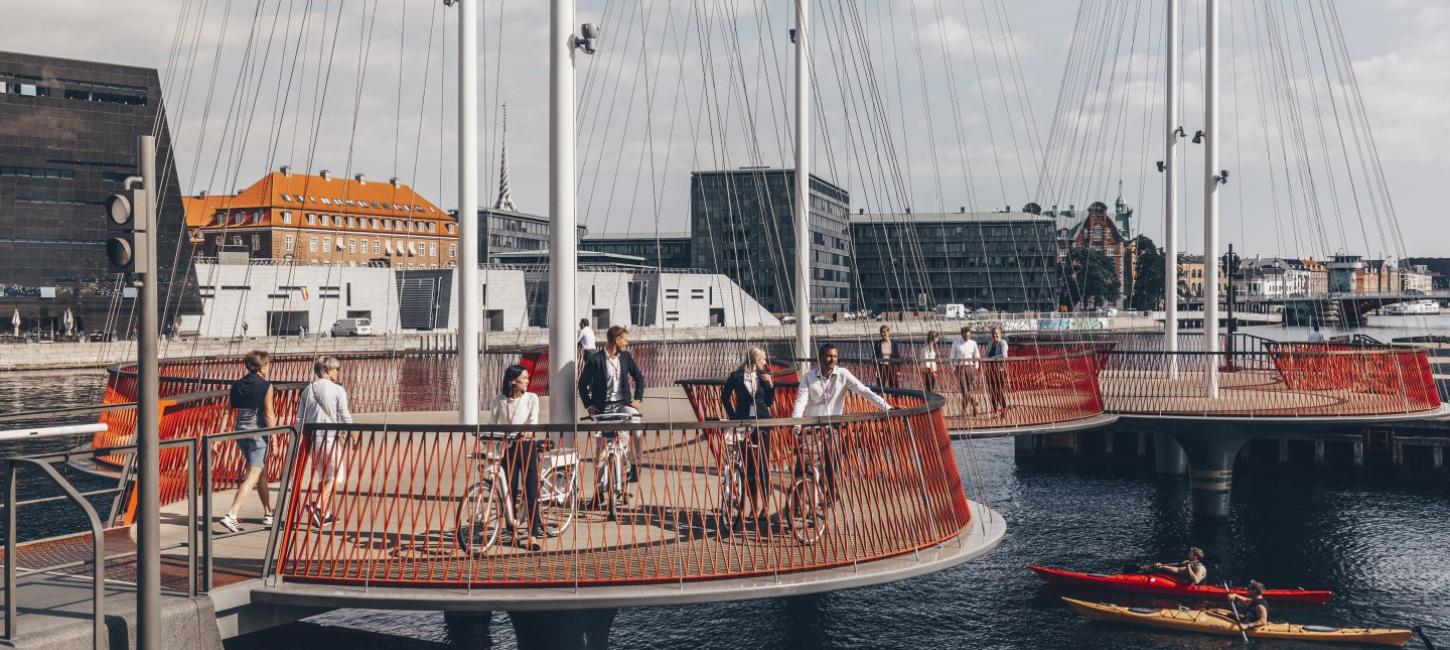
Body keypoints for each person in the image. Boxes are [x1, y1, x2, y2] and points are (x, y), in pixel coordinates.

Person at [791, 344, 891, 499]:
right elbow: (800, 402)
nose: (833, 360)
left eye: (835, 356)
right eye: (829, 356)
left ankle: (831, 493)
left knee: (831, 460)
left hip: (833, 426)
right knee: (803, 463)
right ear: (820, 357)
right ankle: (796, 502)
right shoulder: (809, 377)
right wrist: (796, 424)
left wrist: (886, 407)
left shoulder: (843, 374)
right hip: (810, 426)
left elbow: (863, 390)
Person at [577, 325, 645, 483]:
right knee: (601, 450)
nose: (627, 343)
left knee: (636, 421)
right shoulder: (595, 359)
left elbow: (639, 378)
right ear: (616, 339)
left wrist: (637, 399)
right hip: (603, 408)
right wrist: (589, 406)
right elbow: (582, 384)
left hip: (623, 405)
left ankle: (634, 464)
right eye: (625, 340)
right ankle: (600, 490)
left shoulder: (626, 357)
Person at [219, 351, 276, 533]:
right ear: (262, 366)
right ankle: (232, 514)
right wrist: (274, 439)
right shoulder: (266, 386)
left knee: (261, 472)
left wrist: (218, 439)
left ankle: (268, 512)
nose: (269, 368)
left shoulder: (236, 385)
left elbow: (227, 412)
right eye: (268, 365)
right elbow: (269, 414)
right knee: (252, 475)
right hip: (258, 436)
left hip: (240, 433)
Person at [721, 347, 776, 525]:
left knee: (763, 465)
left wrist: (771, 385)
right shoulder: (736, 376)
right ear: (754, 360)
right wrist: (733, 416)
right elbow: (725, 397)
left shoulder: (764, 376)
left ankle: (765, 507)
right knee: (750, 467)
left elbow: (768, 402)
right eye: (762, 360)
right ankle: (753, 506)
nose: (765, 363)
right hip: (743, 422)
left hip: (762, 424)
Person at [491, 364, 547, 539]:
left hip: (527, 445)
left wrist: (526, 432)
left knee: (530, 489)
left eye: (527, 378)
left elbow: (533, 421)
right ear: (513, 381)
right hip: (508, 447)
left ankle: (533, 531)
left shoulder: (531, 398)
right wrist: (490, 444)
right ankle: (511, 529)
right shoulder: (499, 400)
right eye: (524, 379)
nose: (527, 382)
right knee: (509, 490)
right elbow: (492, 424)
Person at [297, 356, 354, 526]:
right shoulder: (337, 390)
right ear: (327, 370)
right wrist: (353, 434)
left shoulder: (308, 389)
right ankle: (319, 506)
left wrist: (298, 436)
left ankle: (325, 513)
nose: (338, 372)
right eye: (336, 369)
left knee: (325, 475)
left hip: (313, 439)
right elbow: (344, 414)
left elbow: (300, 417)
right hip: (330, 438)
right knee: (336, 475)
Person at [950, 326, 982, 416]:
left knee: (969, 390)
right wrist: (953, 368)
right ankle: (974, 404)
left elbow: (977, 356)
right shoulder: (956, 343)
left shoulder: (973, 343)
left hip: (971, 367)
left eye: (968, 336)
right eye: (965, 336)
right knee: (964, 390)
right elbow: (952, 357)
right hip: (960, 367)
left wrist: (976, 367)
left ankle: (964, 411)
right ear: (961, 335)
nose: (967, 338)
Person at [984, 326, 1010, 417]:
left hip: (999, 370)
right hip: (990, 370)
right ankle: (995, 411)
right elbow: (986, 355)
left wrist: (993, 358)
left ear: (1000, 334)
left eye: (996, 333)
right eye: (993, 334)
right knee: (992, 391)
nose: (994, 335)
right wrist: (986, 363)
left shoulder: (1003, 343)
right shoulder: (990, 343)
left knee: (999, 391)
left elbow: (1004, 355)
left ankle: (1004, 408)